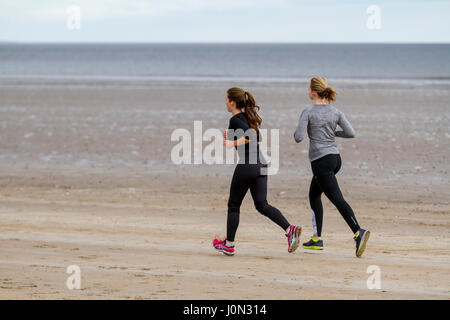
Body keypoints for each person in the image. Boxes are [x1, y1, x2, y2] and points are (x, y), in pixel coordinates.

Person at [213, 87, 301, 256]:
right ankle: (289, 229)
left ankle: (229, 244)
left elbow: (250, 138)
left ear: (232, 102)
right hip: (261, 164)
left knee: (233, 205)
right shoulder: (248, 118)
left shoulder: (235, 120)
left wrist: (231, 143)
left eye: (226, 99)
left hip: (248, 165)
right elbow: (257, 141)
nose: (225, 102)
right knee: (262, 205)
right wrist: (232, 140)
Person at [294, 77, 370, 257]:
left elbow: (298, 137)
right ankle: (316, 239)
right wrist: (334, 133)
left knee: (337, 199)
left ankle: (358, 232)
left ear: (313, 92)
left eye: (308, 89)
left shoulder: (308, 111)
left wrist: (302, 129)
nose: (307, 91)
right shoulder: (335, 111)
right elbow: (351, 133)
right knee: (314, 195)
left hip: (321, 162)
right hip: (335, 159)